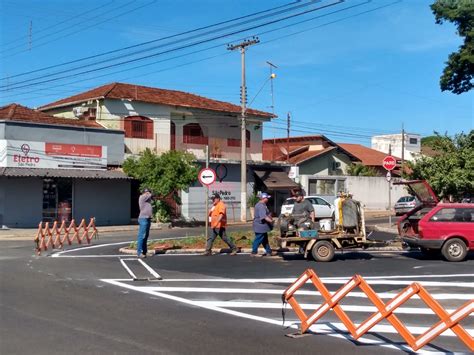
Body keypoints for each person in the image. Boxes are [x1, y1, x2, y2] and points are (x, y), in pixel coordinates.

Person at [251, 192, 277, 257]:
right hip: (260, 226)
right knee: (258, 238)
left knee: (265, 239)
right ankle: (254, 252)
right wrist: (271, 221)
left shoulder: (262, 204)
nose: (268, 199)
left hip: (262, 226)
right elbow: (264, 217)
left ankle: (269, 252)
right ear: (263, 198)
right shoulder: (261, 206)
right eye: (267, 198)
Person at [136, 187, 153, 258]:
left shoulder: (148, 200)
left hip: (148, 218)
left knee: (146, 236)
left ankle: (145, 252)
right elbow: (152, 194)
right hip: (143, 219)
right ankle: (139, 252)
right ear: (144, 193)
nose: (148, 193)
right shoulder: (142, 197)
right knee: (141, 236)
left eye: (148, 192)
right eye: (147, 192)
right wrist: (150, 193)